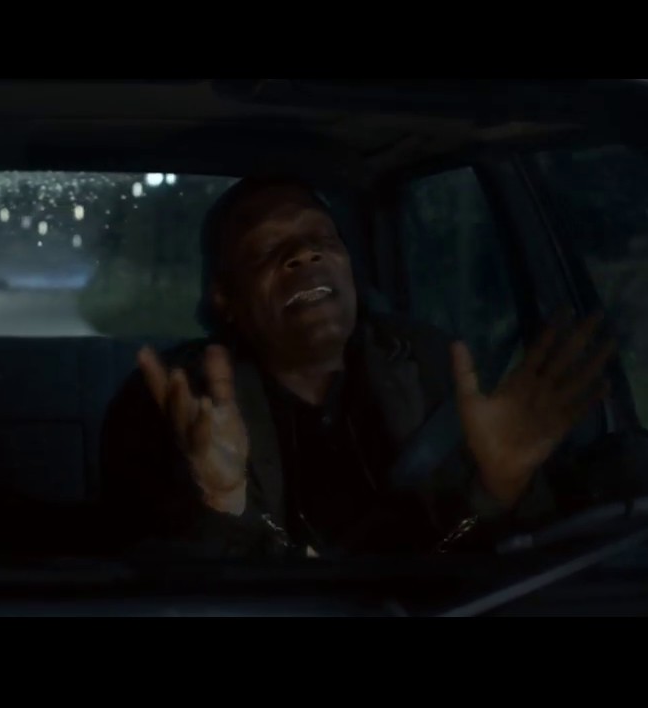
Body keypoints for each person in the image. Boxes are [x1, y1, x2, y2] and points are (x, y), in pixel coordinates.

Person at [99, 174, 615, 559]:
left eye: (323, 237)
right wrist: (223, 502)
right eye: (267, 248)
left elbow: (495, 555)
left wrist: (501, 489)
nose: (305, 253)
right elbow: (152, 579)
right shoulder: (174, 402)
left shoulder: (431, 363)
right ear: (224, 297)